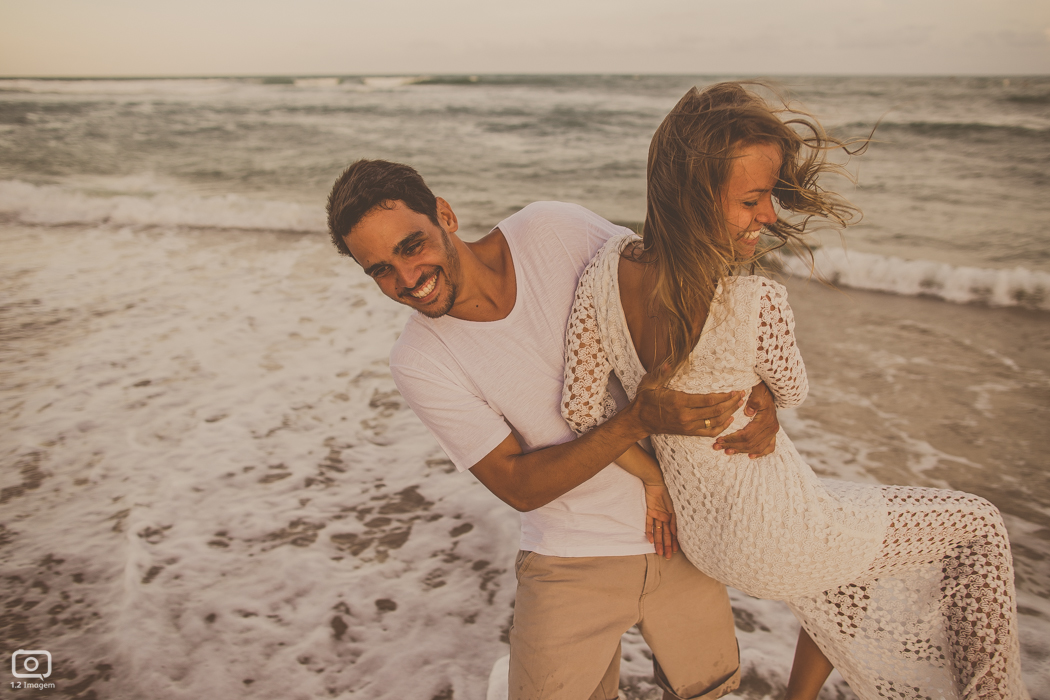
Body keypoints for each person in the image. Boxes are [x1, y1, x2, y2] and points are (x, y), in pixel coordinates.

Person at [561, 82, 1028, 700]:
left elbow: (579, 412)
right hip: (778, 530)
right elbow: (793, 387)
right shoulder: (755, 303)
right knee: (978, 526)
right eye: (753, 199)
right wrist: (766, 393)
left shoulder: (604, 273)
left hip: (708, 538)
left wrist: (653, 479)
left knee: (848, 560)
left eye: (771, 197)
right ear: (692, 198)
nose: (770, 217)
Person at [325, 160, 784, 700]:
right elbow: (517, 485)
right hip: (570, 555)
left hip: (687, 530)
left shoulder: (553, 230)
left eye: (411, 246)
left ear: (444, 216)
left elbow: (675, 290)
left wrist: (764, 390)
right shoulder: (420, 361)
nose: (406, 279)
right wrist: (636, 421)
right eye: (379, 269)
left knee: (713, 690)